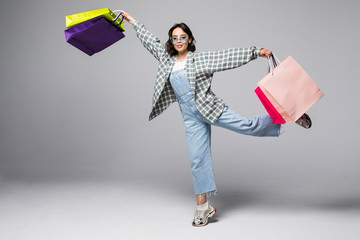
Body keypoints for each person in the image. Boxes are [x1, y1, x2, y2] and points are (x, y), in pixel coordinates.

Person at [121, 12, 312, 227]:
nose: (178, 41)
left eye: (182, 37)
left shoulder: (200, 59)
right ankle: (203, 208)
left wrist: (256, 52)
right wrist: (133, 22)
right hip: (191, 118)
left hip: (211, 109)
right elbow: (151, 42)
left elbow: (228, 56)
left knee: (248, 126)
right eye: (174, 38)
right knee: (197, 160)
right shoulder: (167, 60)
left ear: (190, 40)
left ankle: (288, 115)